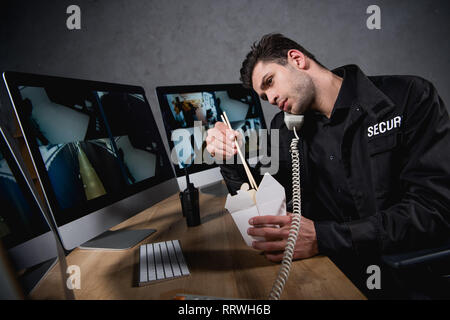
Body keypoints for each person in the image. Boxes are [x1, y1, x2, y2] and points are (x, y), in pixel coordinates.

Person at [205, 33, 450, 299]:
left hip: (399, 277)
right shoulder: (284, 129)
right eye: (264, 96)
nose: (272, 98)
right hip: (325, 275)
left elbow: (436, 208)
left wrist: (324, 237)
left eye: (270, 82)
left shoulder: (409, 97)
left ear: (297, 59)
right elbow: (261, 198)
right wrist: (228, 155)